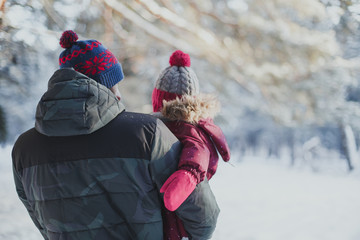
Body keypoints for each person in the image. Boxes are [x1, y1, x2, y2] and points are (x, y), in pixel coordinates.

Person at [12, 31, 220, 240]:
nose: (119, 94)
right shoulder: (148, 133)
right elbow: (203, 219)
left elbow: (42, 223)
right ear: (100, 86)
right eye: (114, 83)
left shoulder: (24, 149)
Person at [152, 50, 231, 240]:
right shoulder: (170, 127)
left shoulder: (186, 129)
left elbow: (198, 150)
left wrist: (188, 174)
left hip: (178, 217)